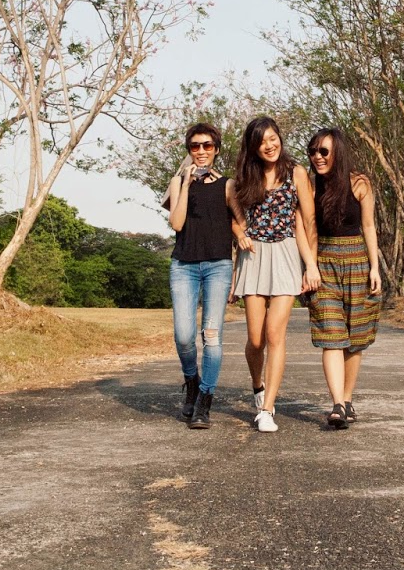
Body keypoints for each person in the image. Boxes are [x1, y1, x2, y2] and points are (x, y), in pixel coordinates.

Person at [228, 116, 320, 433]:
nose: (269, 146)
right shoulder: (244, 177)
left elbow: (308, 222)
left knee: (274, 335)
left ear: (279, 137)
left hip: (286, 255)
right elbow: (236, 220)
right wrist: (240, 234)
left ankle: (267, 410)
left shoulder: (296, 173)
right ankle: (258, 385)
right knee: (255, 339)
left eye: (272, 138)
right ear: (252, 147)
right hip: (253, 257)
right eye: (261, 142)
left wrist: (311, 265)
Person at [305, 128, 382, 429]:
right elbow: (308, 228)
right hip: (323, 263)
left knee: (355, 338)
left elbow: (369, 226)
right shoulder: (310, 186)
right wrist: (309, 266)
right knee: (331, 335)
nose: (318, 157)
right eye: (313, 151)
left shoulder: (360, 183)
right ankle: (337, 403)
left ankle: (347, 399)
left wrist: (374, 268)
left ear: (338, 152)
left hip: (357, 261)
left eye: (324, 151)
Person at [163, 123, 235, 430]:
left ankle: (204, 400)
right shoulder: (178, 181)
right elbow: (177, 223)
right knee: (183, 336)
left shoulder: (228, 185)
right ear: (189, 150)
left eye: (207, 145)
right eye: (195, 146)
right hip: (184, 266)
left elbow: (238, 224)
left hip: (218, 265)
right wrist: (187, 184)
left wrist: (238, 268)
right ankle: (191, 382)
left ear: (216, 149)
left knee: (212, 336)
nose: (201, 151)